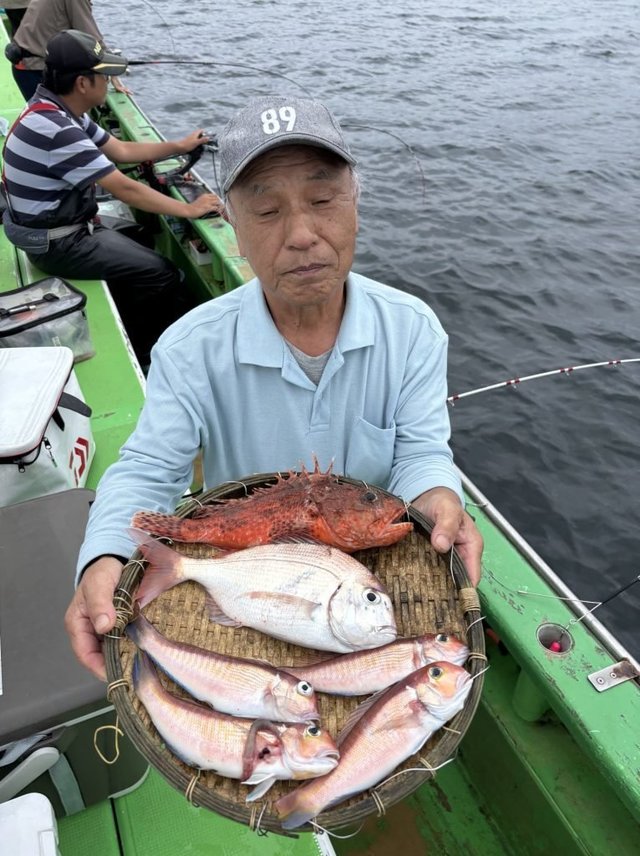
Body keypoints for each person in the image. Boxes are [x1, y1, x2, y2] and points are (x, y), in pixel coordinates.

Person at [65, 94, 484, 681]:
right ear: (233, 227)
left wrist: (438, 495)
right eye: (266, 213)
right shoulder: (190, 347)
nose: (303, 234)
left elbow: (419, 452)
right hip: (248, 582)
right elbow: (148, 467)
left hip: (363, 579)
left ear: (356, 205)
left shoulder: (412, 330)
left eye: (322, 200)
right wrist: (103, 556)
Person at [2, 29, 223, 366]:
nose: (109, 83)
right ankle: (152, 356)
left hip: (57, 232)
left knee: (141, 240)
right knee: (162, 273)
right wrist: (189, 210)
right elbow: (125, 188)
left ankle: (146, 330)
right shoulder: (58, 129)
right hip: (58, 245)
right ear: (82, 83)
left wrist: (179, 145)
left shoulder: (54, 109)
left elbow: (120, 150)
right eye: (104, 75)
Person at [5, 0, 128, 100]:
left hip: (23, 63)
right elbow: (91, 39)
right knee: (56, 124)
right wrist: (113, 71)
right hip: (34, 69)